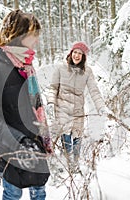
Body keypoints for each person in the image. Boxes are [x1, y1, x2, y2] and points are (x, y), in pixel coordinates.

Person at [0, 9, 52, 200]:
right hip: (8, 147)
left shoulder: (26, 67)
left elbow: (33, 107)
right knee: (13, 192)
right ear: (16, 35)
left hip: (32, 144)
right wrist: (19, 142)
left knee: (39, 191)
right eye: (32, 36)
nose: (36, 41)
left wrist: (40, 138)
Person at [46, 41, 111, 170]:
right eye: (75, 52)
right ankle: (67, 165)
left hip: (78, 111)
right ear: (71, 53)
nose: (77, 55)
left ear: (83, 57)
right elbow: (53, 88)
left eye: (80, 54)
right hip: (62, 109)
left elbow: (94, 90)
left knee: (77, 138)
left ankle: (75, 166)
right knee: (66, 138)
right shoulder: (60, 68)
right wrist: (50, 103)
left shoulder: (87, 72)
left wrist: (101, 107)